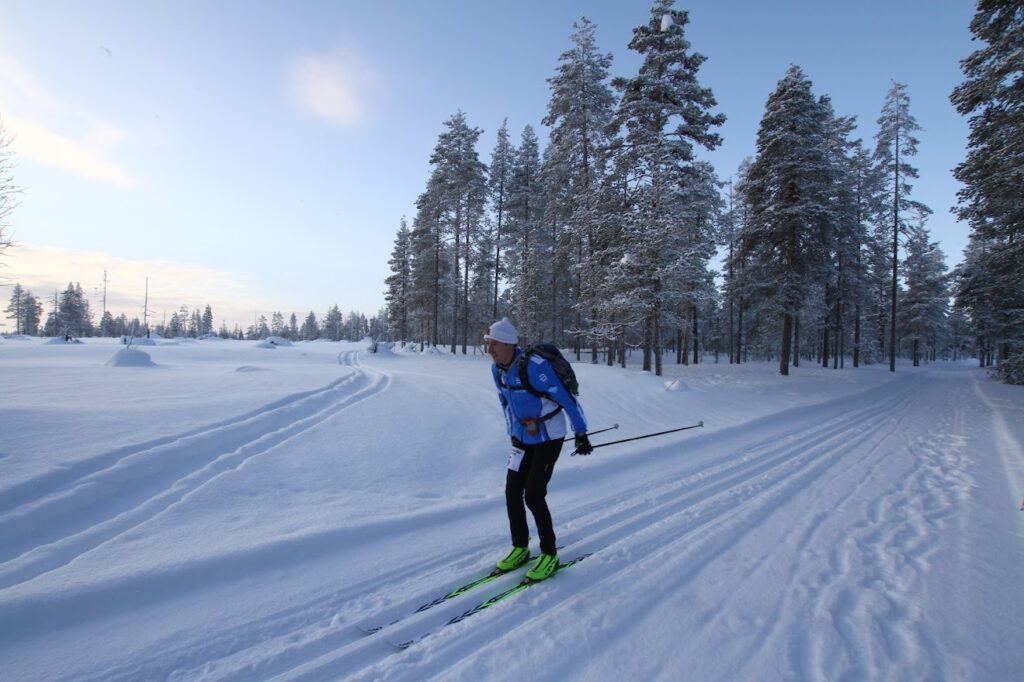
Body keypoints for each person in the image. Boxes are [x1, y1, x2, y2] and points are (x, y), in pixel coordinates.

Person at [484, 318, 593, 582]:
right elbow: (505, 402)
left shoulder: (536, 367)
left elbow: (567, 399)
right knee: (512, 491)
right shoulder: (497, 370)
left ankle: (549, 554)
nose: (490, 350)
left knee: (533, 495)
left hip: (548, 438)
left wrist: (581, 433)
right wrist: (513, 433)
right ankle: (520, 547)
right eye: (487, 344)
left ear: (509, 344)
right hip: (522, 439)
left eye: (494, 344)